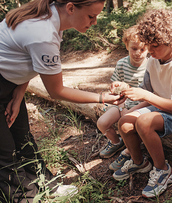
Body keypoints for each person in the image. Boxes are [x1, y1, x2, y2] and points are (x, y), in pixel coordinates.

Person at [0, 0, 123, 202]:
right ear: (71, 7)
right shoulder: (43, 33)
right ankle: (27, 197)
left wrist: (20, 92)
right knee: (4, 152)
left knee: (23, 138)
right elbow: (56, 91)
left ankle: (48, 185)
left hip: (10, 84)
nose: (95, 22)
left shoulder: (50, 19)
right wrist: (101, 98)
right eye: (91, 16)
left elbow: (26, 59)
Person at [112, 9, 172, 198]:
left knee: (144, 122)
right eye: (148, 46)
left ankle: (163, 169)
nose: (150, 51)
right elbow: (148, 92)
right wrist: (131, 106)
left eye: (155, 46)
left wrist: (146, 97)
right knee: (125, 123)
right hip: (159, 107)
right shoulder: (153, 60)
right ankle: (139, 162)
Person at [97, 24, 148, 171]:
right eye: (134, 48)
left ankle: (128, 150)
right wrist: (115, 87)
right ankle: (115, 142)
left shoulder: (151, 66)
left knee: (126, 125)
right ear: (126, 45)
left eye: (142, 49)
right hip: (122, 104)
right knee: (102, 123)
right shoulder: (121, 64)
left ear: (149, 49)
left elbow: (150, 94)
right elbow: (114, 84)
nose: (138, 53)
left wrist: (128, 109)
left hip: (141, 106)